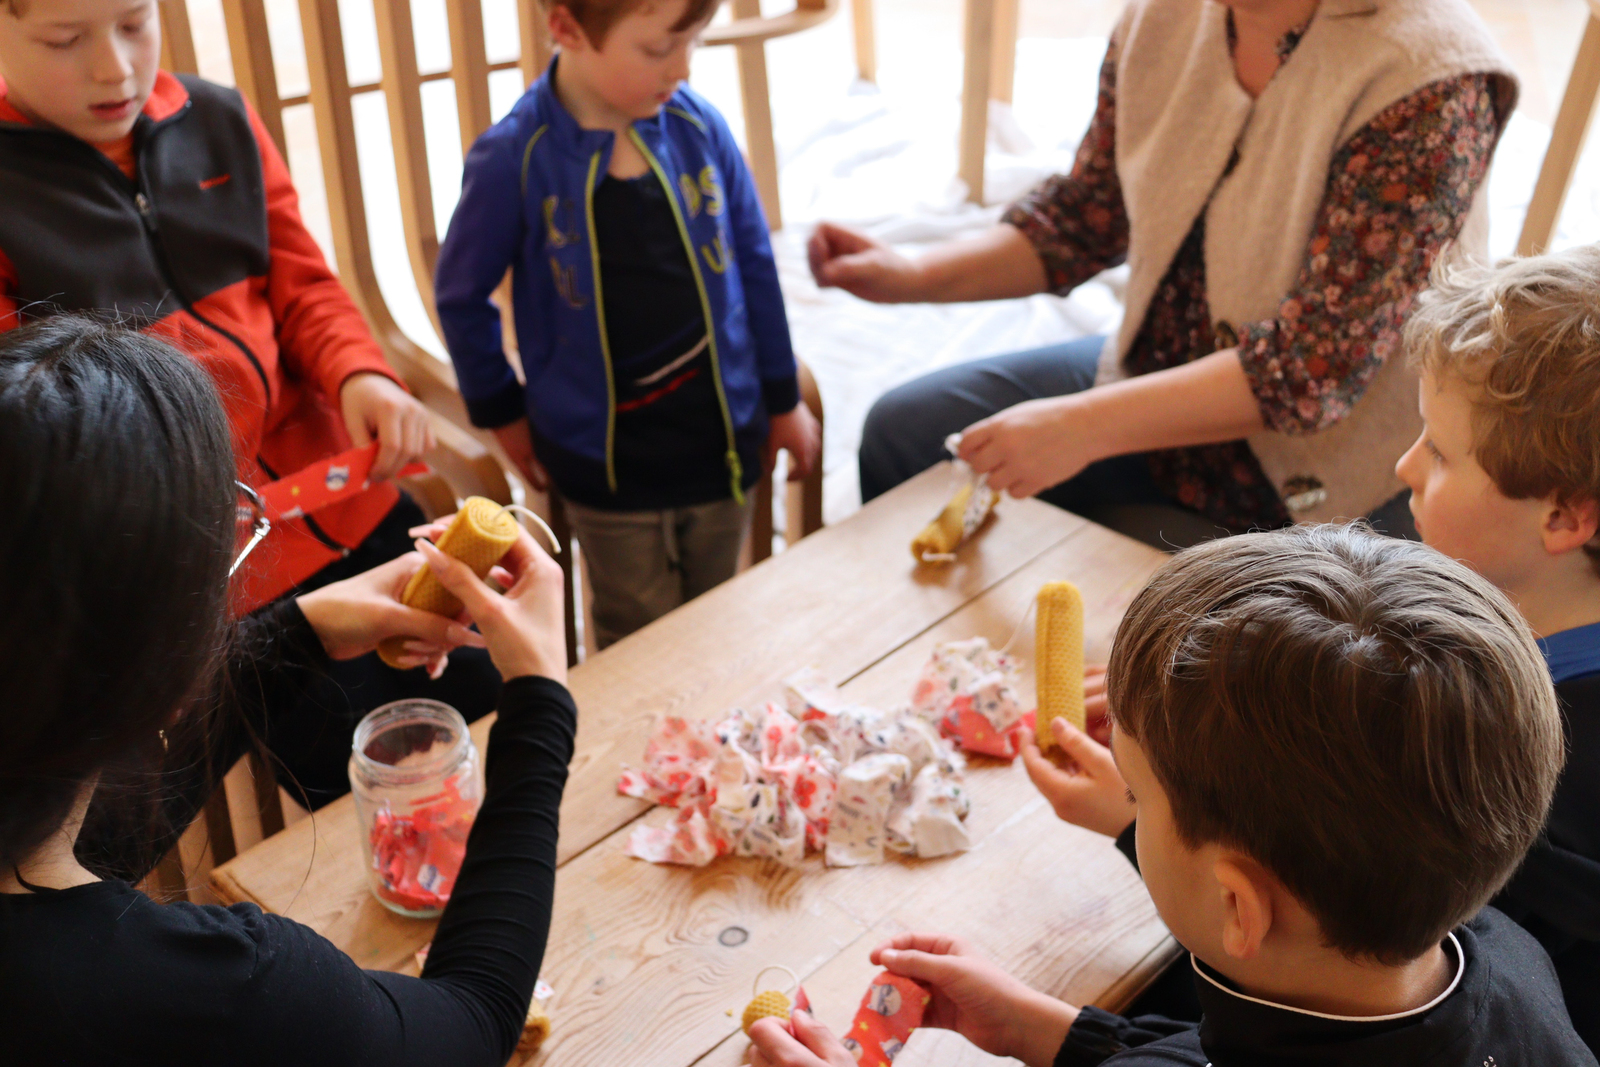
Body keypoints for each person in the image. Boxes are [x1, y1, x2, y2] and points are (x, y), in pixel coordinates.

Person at [749, 524, 1596, 1067]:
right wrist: (1042, 1028)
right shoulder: (1500, 954)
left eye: (1138, 797)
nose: (1129, 808)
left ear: (1238, 906)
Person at [0, 316, 575, 1066]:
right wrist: (540, 697)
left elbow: (80, 837)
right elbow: (474, 1019)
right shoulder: (218, 992)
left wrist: (306, 629)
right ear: (163, 671)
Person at [0, 0, 502, 806]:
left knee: (484, 710)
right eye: (66, 39)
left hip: (350, 495)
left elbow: (305, 287)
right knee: (367, 790)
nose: (114, 68)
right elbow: (38, 431)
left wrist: (360, 375)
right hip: (223, 574)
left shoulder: (221, 119)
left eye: (134, 22)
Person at [818, 0, 1514, 548]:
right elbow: (1087, 215)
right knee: (901, 437)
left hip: (1329, 469)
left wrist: (1079, 428)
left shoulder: (1430, 77)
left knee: (1196, 637)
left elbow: (1311, 370)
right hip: (1152, 375)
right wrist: (909, 272)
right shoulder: (1165, 17)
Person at [434, 0, 820, 648]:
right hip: (605, 466)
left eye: (693, 41)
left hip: (720, 444)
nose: (682, 68)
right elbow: (461, 293)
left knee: (718, 615)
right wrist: (502, 410)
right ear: (566, 27)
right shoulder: (514, 156)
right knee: (638, 630)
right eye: (658, 49)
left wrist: (782, 396)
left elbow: (753, 260)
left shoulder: (700, 127)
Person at [1388, 247, 1600, 1051]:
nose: (1404, 465)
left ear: (1564, 517)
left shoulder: (1532, 768)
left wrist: (1144, 826)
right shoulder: (1520, 619)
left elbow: (1402, 971)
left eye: (1441, 452)